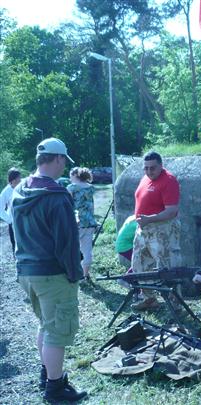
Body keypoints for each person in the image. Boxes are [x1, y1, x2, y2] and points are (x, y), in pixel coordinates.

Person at [11, 137, 87, 402]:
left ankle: (47, 374)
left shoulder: (20, 190)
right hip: (52, 274)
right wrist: (75, 273)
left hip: (27, 270)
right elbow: (67, 243)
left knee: (45, 324)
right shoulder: (57, 196)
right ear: (58, 159)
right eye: (64, 161)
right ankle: (55, 388)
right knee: (57, 332)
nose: (64, 166)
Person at [131, 151, 182, 310]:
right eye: (145, 168)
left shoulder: (169, 181)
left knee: (167, 266)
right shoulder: (145, 178)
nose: (149, 171)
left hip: (163, 229)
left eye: (152, 168)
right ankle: (149, 299)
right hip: (143, 229)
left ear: (161, 165)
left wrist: (149, 218)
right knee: (139, 264)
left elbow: (171, 211)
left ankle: (175, 303)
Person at [67, 167, 98, 281]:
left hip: (76, 223)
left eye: (70, 176)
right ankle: (85, 275)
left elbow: (68, 206)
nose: (70, 178)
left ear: (75, 175)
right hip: (89, 222)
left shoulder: (71, 188)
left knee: (73, 249)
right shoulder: (90, 188)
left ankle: (74, 273)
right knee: (87, 250)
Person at [0, 167, 22, 253]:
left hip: (25, 219)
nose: (20, 179)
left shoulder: (23, 186)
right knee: (15, 244)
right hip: (13, 221)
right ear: (13, 179)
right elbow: (0, 209)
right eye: (18, 177)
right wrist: (9, 220)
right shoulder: (6, 192)